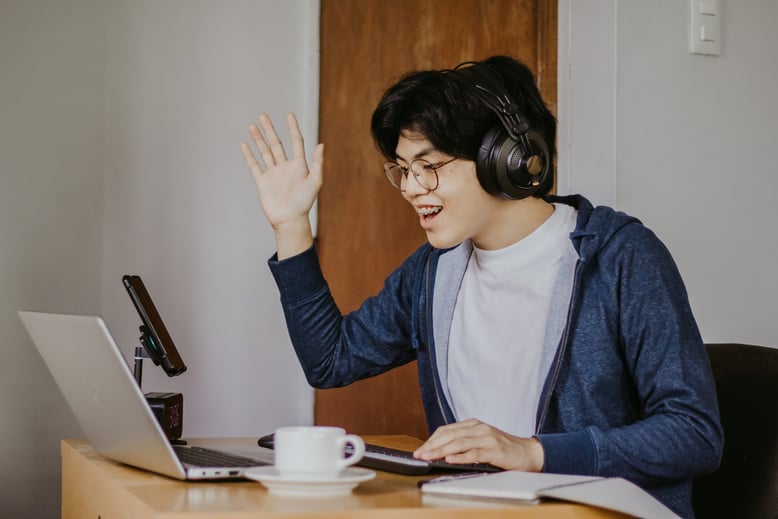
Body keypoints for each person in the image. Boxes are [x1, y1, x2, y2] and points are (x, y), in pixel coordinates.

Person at [240, 55, 722, 517]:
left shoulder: (620, 256)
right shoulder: (433, 272)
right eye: (404, 169)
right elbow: (330, 360)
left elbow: (694, 433)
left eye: (429, 165)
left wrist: (531, 452)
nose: (411, 187)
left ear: (504, 160)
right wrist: (291, 226)